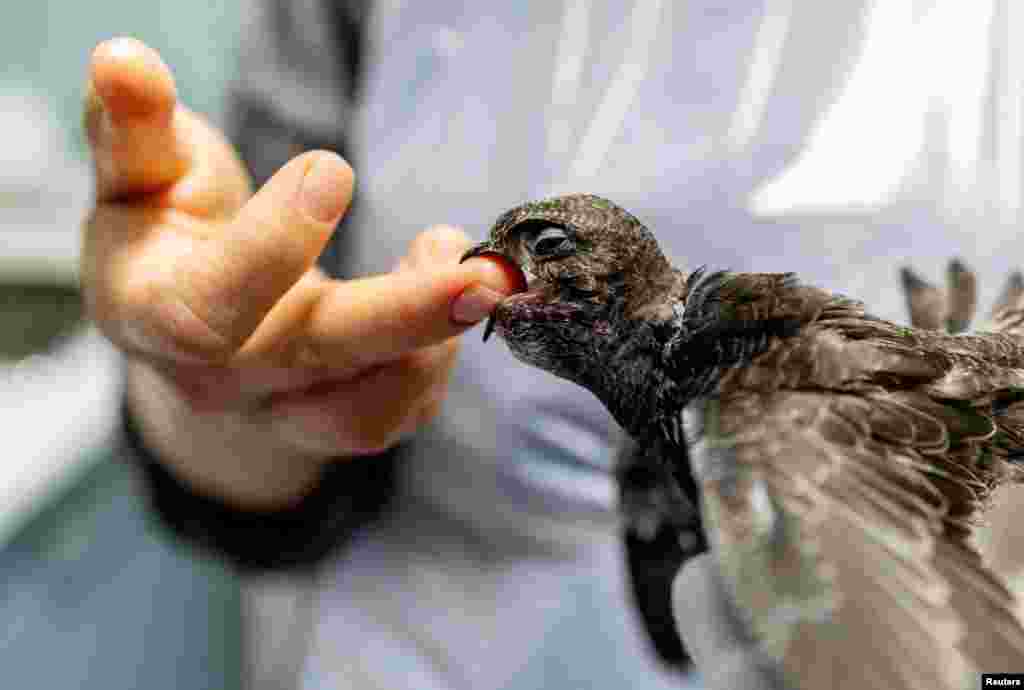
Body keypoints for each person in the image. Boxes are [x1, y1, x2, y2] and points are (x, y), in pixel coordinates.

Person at [81, 3, 1023, 688]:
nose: (501, 275)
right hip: (440, 645)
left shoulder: (742, 386)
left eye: (547, 253)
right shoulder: (665, 391)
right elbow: (247, 388)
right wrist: (225, 392)